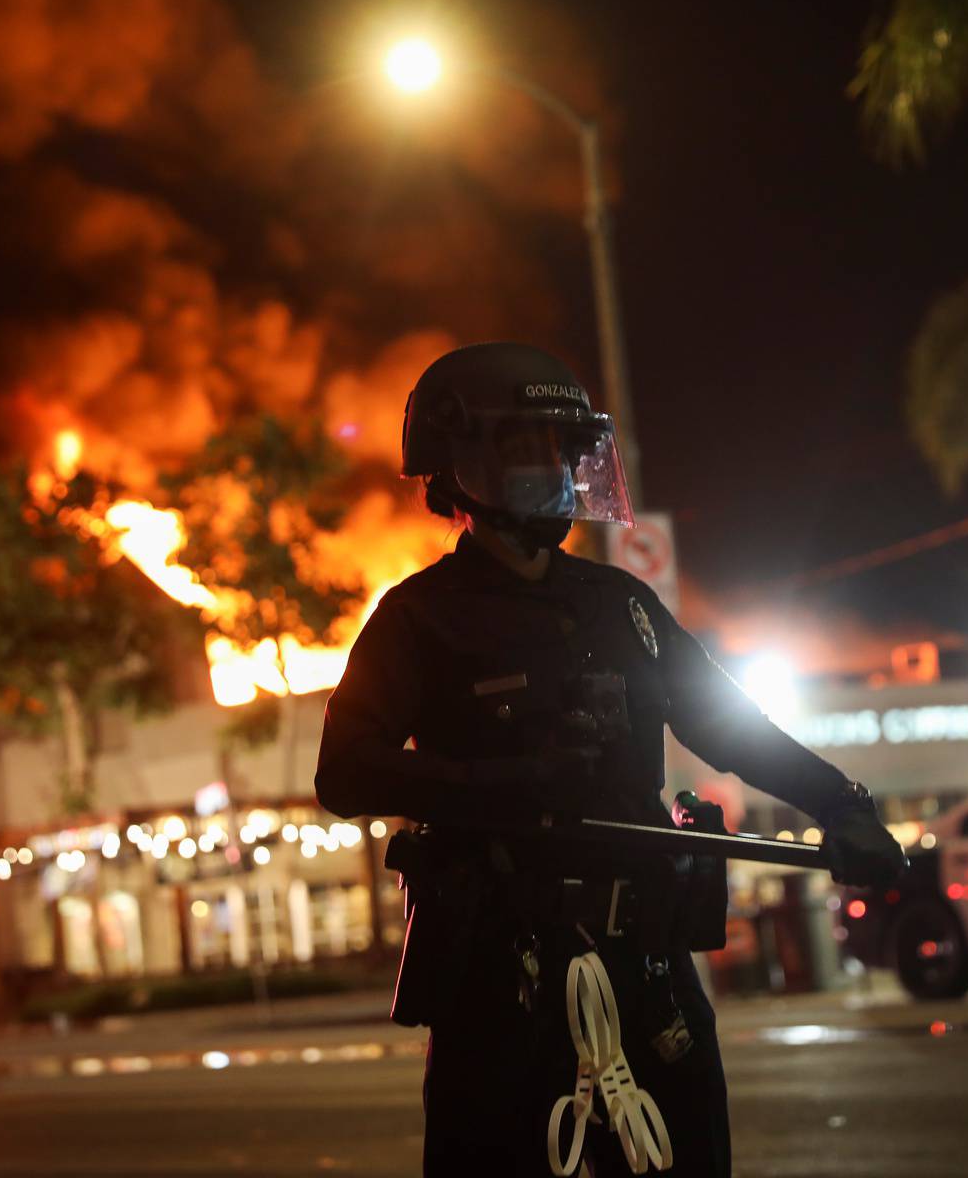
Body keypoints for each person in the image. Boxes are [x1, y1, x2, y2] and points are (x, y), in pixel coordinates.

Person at [316, 342, 908, 1176]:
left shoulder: (621, 605)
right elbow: (343, 772)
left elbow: (729, 726)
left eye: (563, 448)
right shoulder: (419, 619)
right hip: (500, 980)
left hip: (646, 964)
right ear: (461, 465)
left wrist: (841, 804)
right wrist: (499, 788)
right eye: (528, 447)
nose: (552, 469)